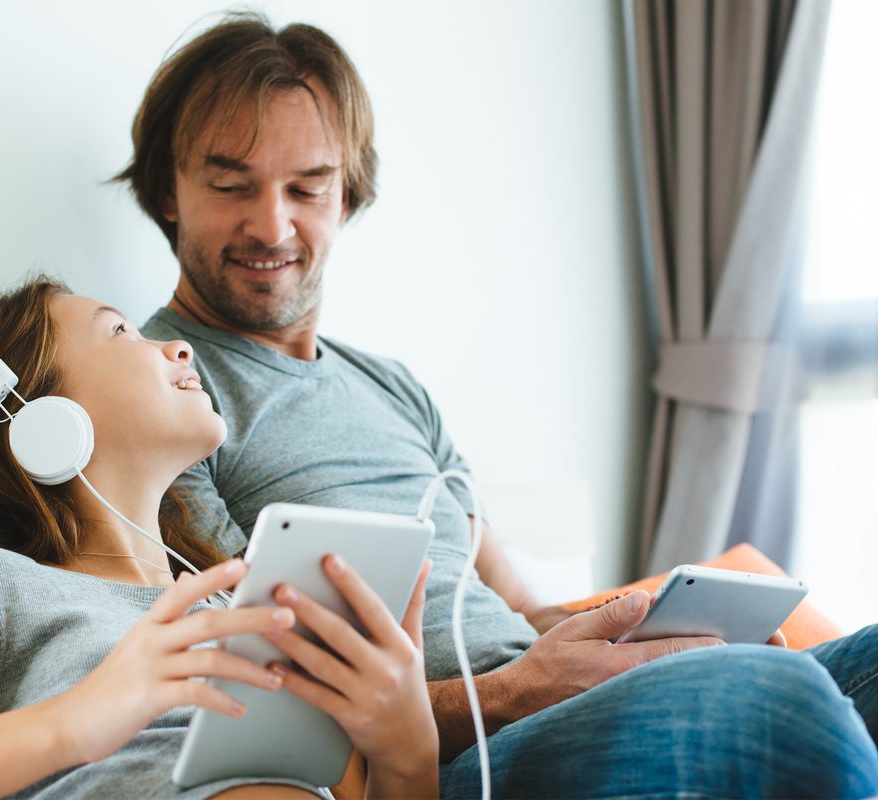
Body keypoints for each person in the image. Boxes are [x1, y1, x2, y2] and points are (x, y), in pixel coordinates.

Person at [118, 12, 878, 797]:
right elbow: (252, 693)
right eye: (230, 184)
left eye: (307, 187)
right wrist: (521, 692)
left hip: (556, 700)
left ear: (346, 198)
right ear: (168, 191)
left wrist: (650, 628)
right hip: (456, 753)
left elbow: (518, 610)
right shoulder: (162, 392)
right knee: (780, 704)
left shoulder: (393, 386)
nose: (272, 224)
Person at [0, 278, 439, 799]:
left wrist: (409, 754)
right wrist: (73, 725)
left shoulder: (242, 610)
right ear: (40, 418)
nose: (179, 348)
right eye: (120, 331)